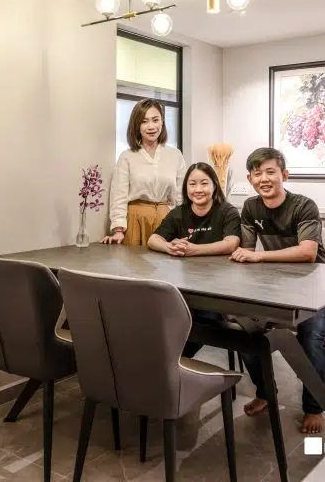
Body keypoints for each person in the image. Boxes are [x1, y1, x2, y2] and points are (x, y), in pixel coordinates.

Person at [229, 147, 325, 435]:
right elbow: (246, 249)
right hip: (280, 287)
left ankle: (314, 407)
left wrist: (257, 257)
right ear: (250, 179)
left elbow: (307, 253)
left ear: (284, 175)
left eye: (270, 172)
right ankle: (266, 392)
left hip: (320, 287)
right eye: (257, 173)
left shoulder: (304, 205)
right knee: (245, 328)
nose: (264, 179)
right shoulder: (251, 207)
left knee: (310, 334)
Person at [148, 162, 240, 357]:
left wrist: (194, 250)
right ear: (186, 188)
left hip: (218, 288)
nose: (198, 189)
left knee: (202, 321)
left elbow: (231, 243)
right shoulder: (179, 212)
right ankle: (168, 363)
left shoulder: (227, 211)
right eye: (192, 184)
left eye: (204, 183)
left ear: (214, 185)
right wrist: (169, 247)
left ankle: (175, 364)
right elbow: (153, 239)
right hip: (185, 286)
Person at [102, 99, 186, 245]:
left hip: (166, 221)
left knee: (165, 259)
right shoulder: (127, 156)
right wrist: (118, 230)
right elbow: (119, 195)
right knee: (134, 259)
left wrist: (182, 226)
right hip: (135, 220)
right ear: (137, 125)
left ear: (162, 122)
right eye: (144, 121)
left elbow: (181, 195)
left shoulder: (175, 155)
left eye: (155, 120)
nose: (151, 126)